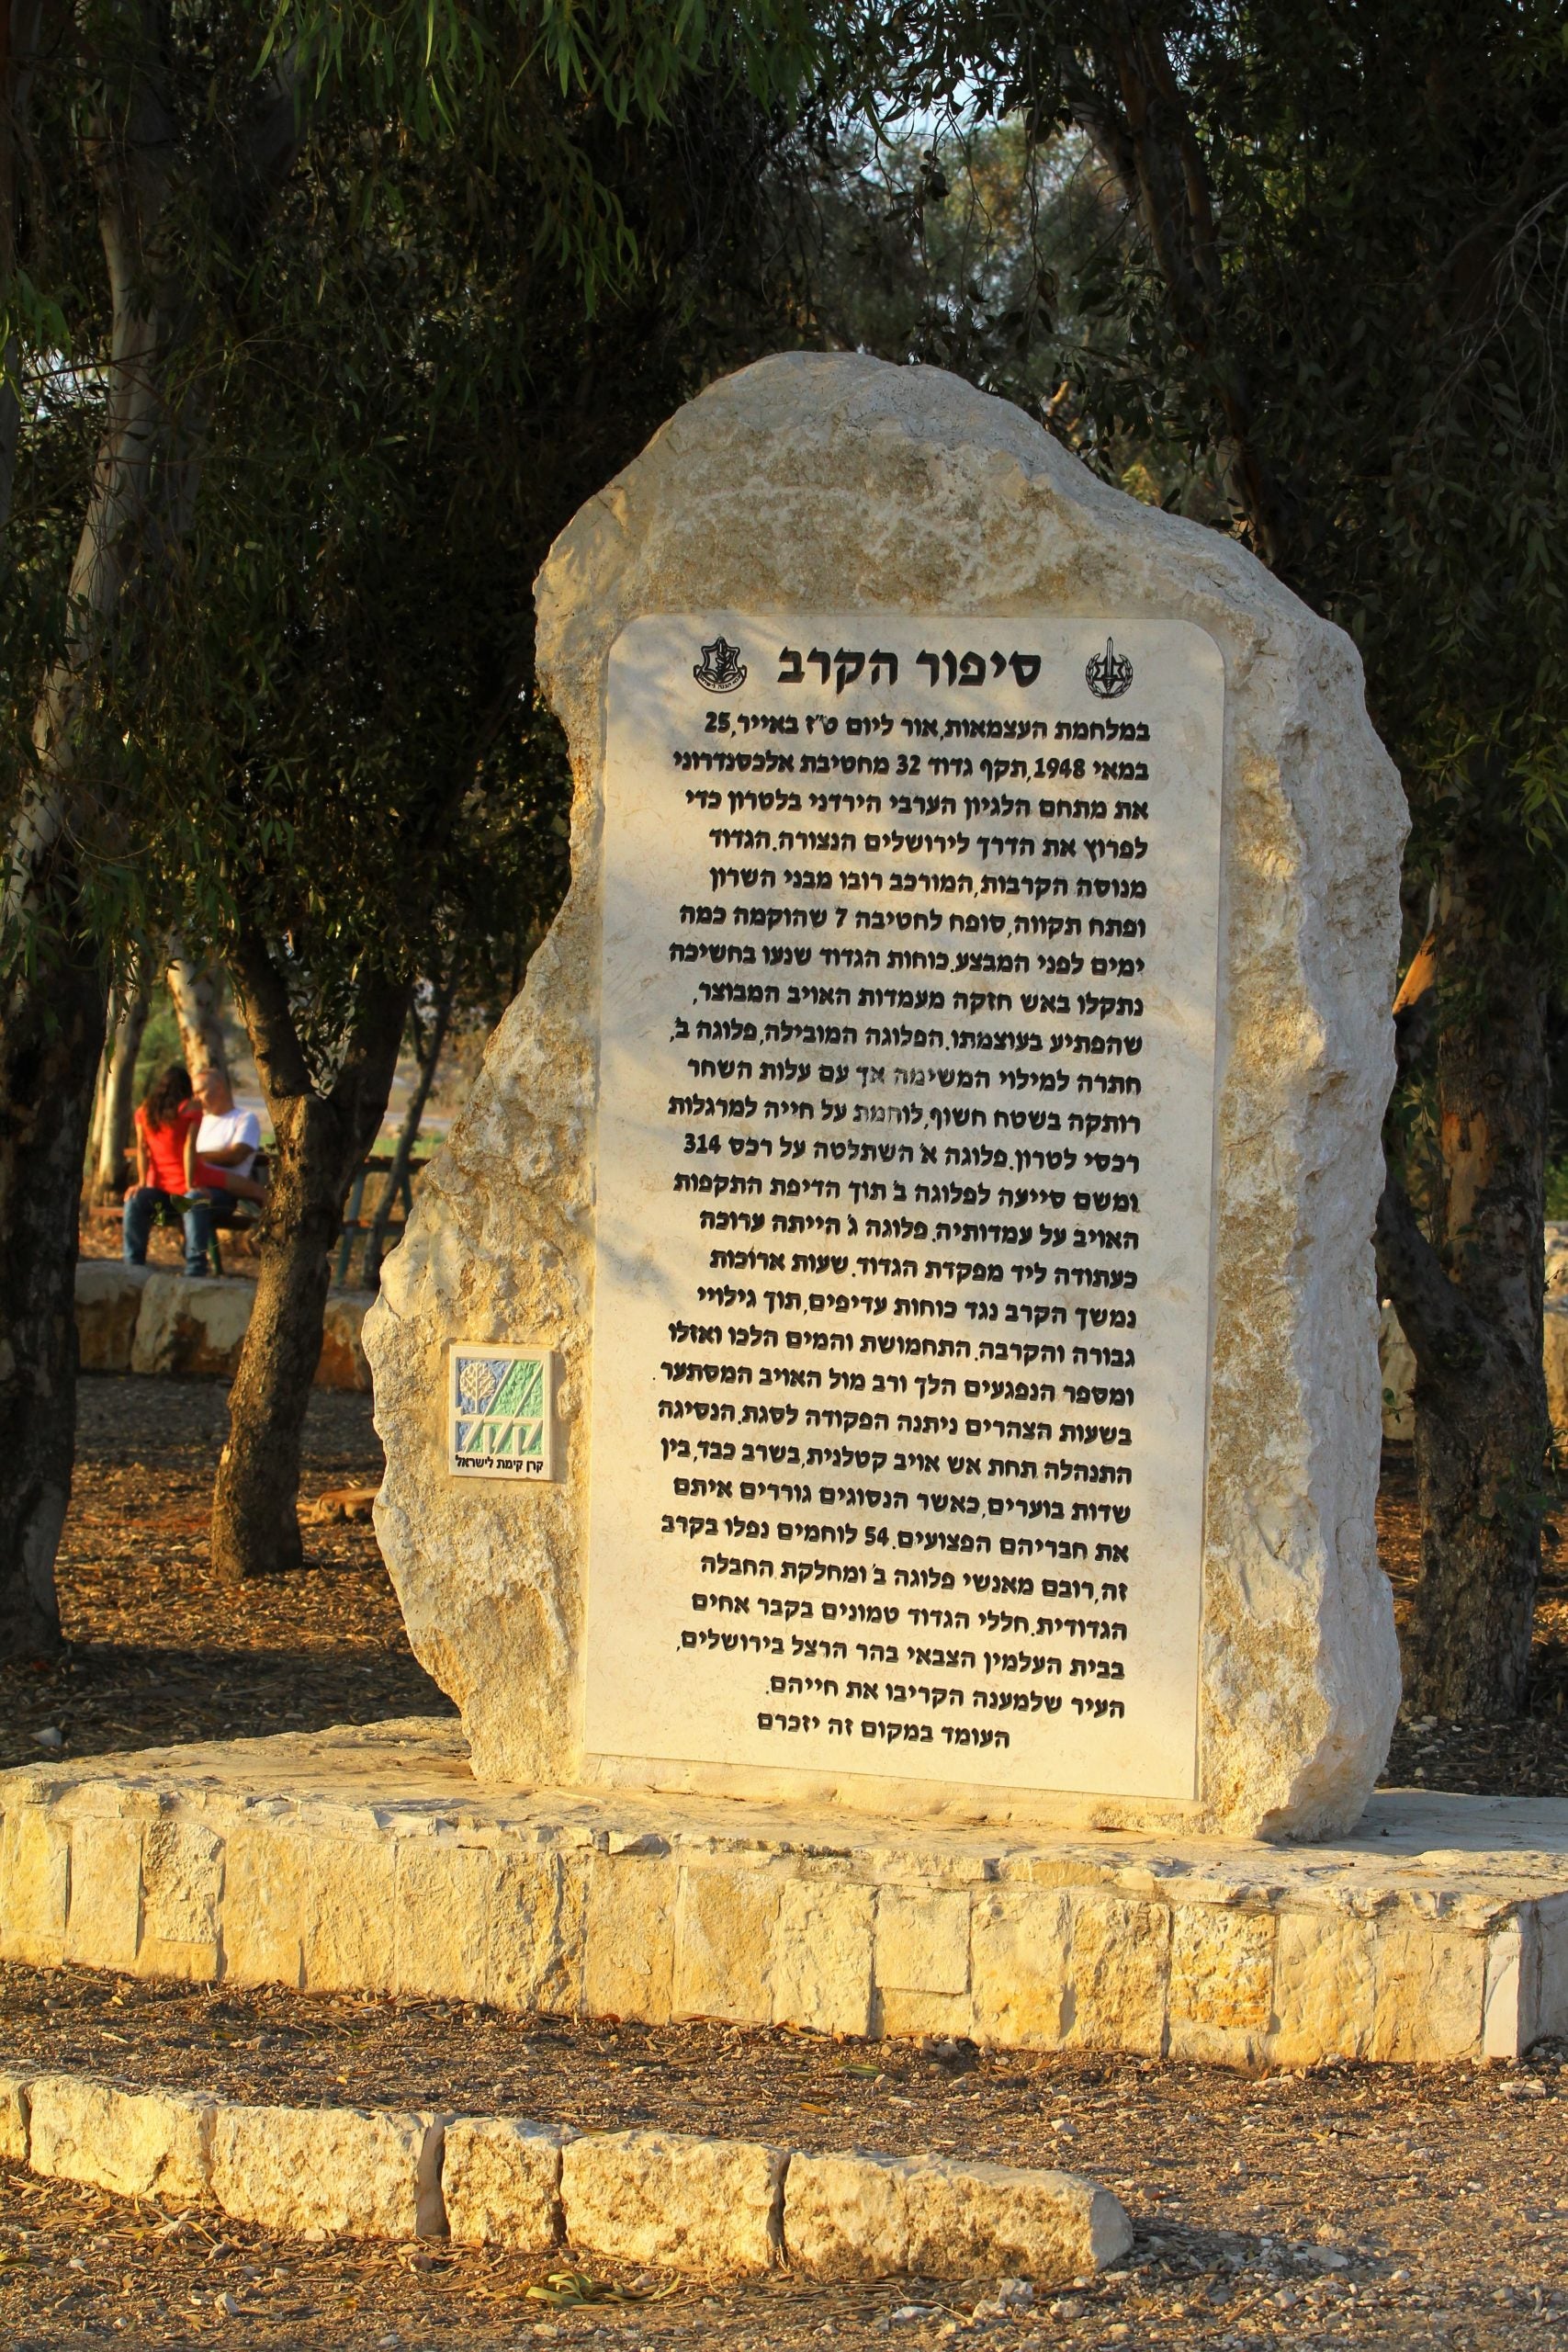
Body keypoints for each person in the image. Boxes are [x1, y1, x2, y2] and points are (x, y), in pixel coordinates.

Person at [122, 1067, 214, 1278]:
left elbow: (142, 1148)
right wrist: (190, 1184)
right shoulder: (191, 1108)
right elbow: (189, 1147)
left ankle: (132, 1265)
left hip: (157, 1188)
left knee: (134, 1200)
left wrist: (142, 1182)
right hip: (182, 1186)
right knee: (193, 1200)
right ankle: (195, 1268)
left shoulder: (145, 1111)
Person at [190, 1064, 265, 1203]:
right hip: (196, 1183)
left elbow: (235, 1157)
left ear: (219, 1088)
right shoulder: (200, 1121)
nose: (196, 1098)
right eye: (193, 1093)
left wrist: (193, 1158)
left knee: (193, 1199)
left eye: (200, 1092)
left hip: (226, 1191)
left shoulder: (245, 1119)